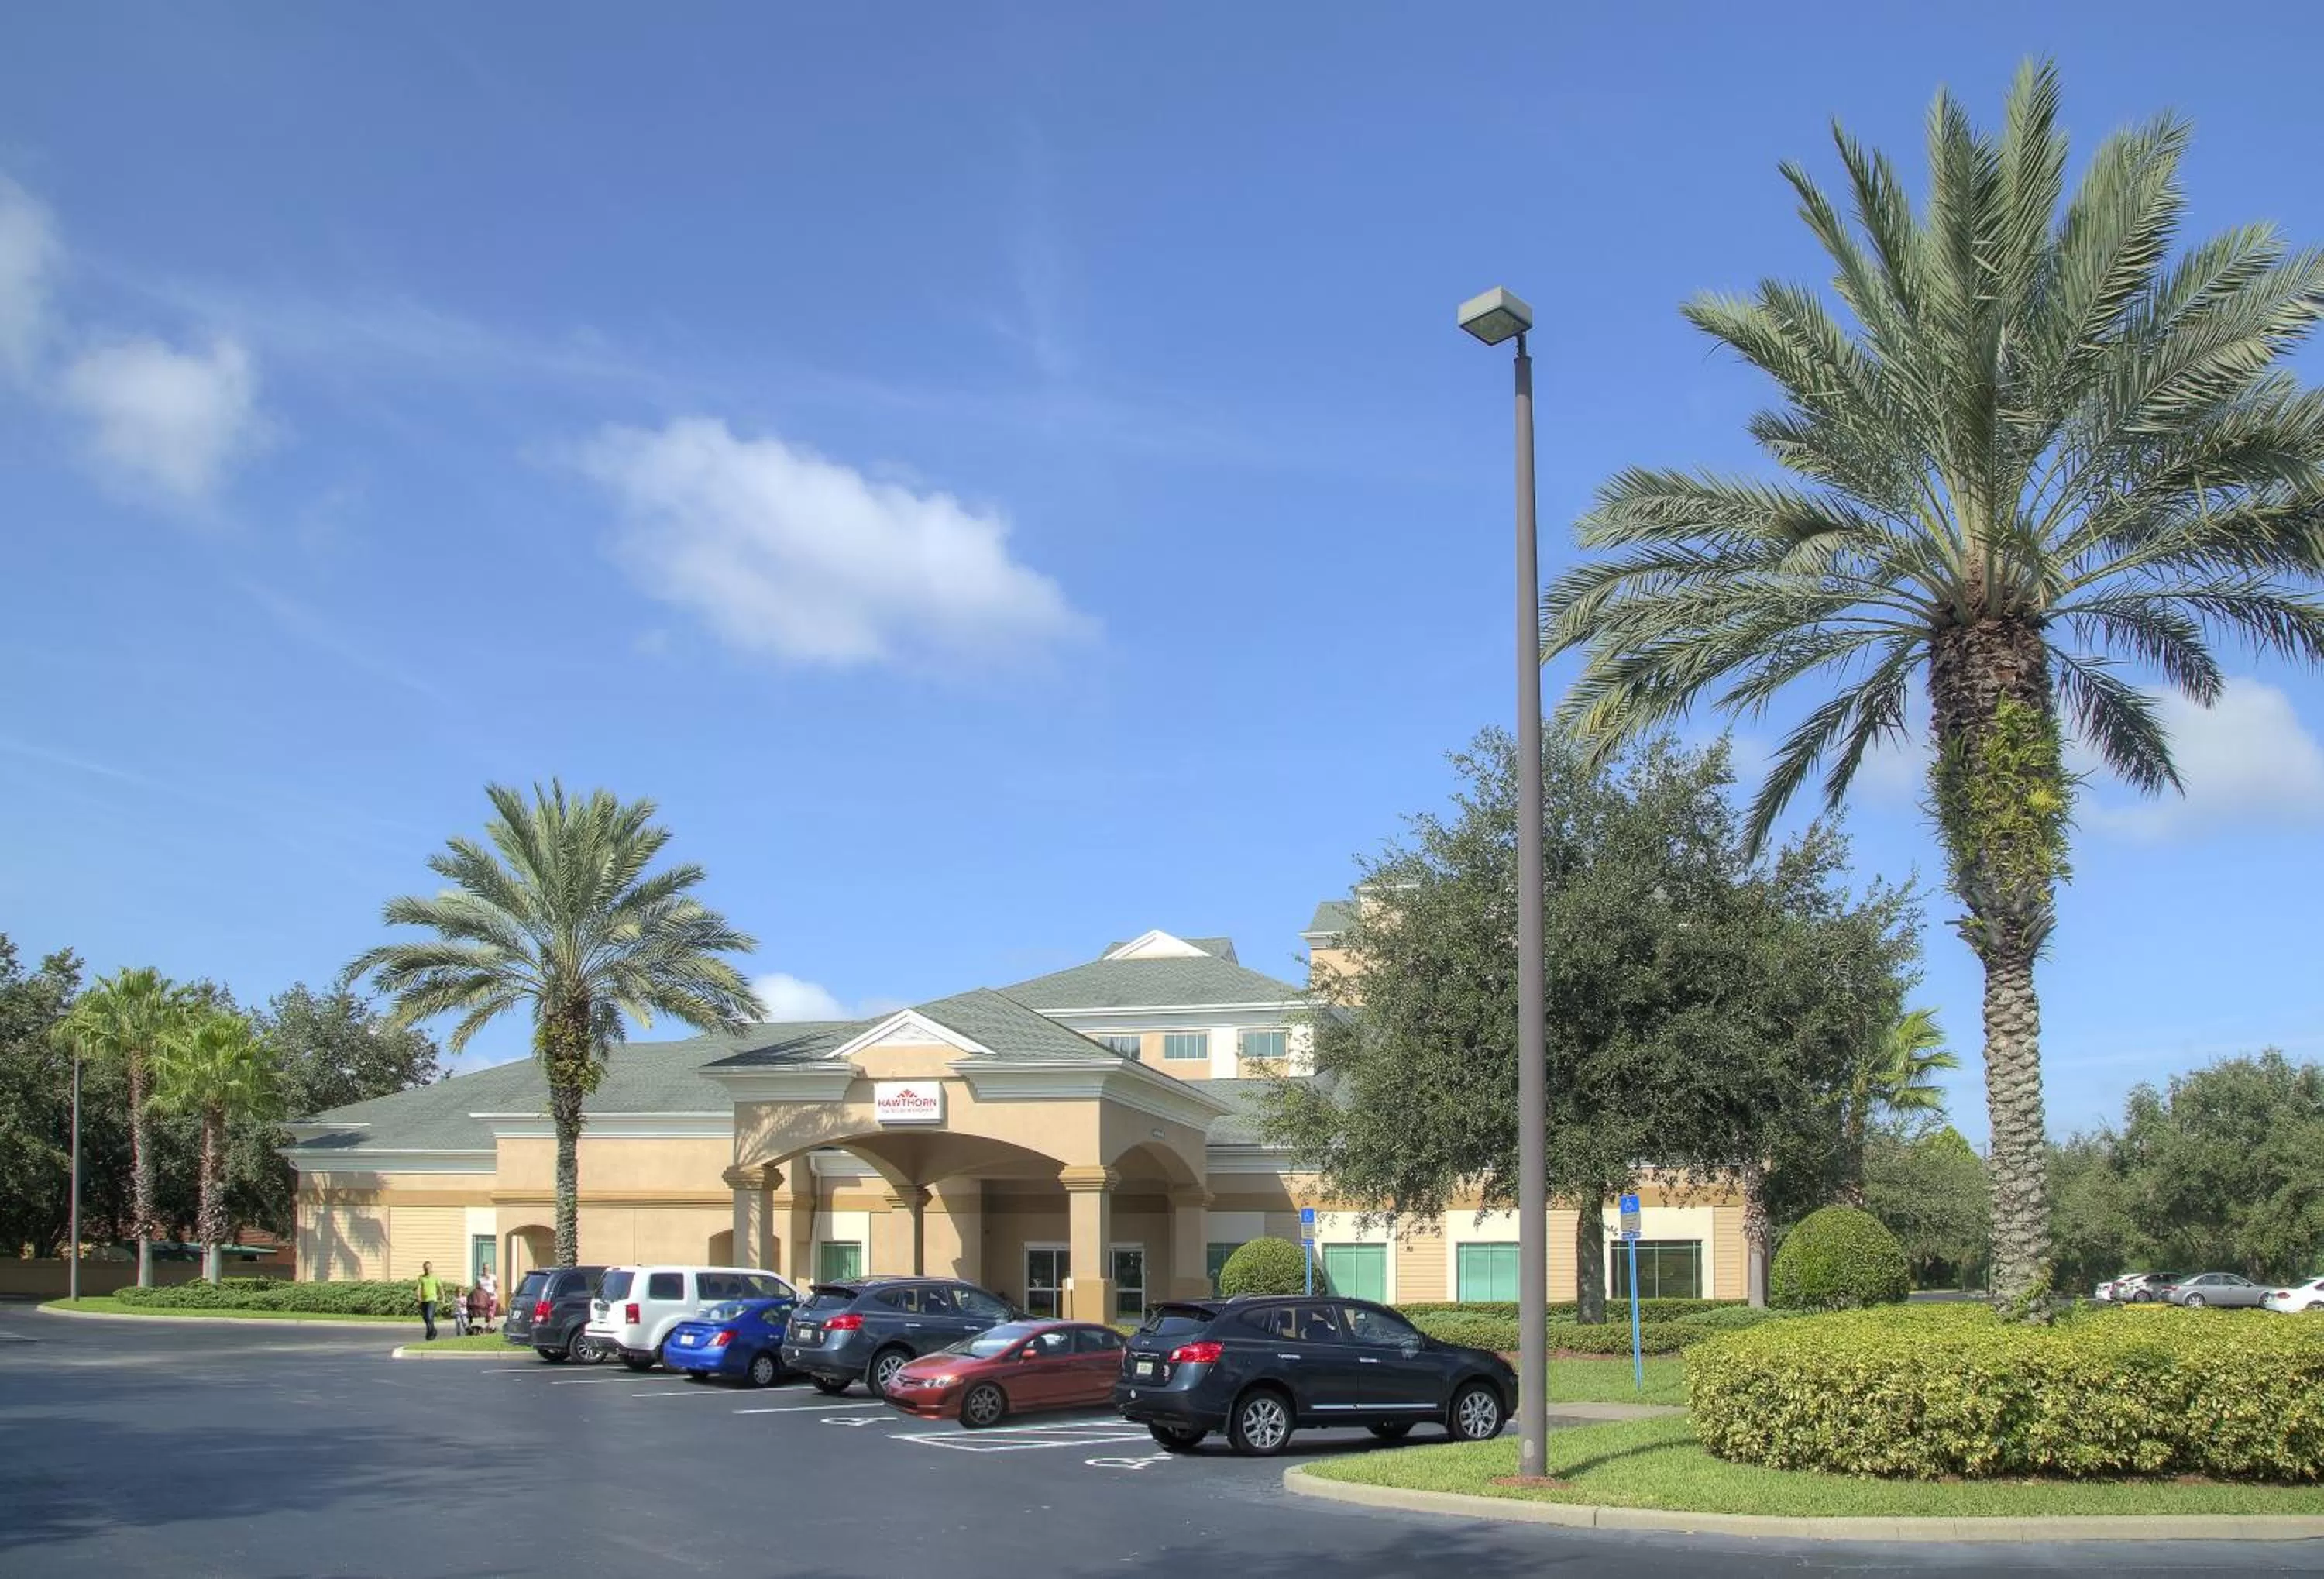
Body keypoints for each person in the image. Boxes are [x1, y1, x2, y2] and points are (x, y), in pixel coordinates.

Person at [416, 1261, 442, 1342]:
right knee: (426, 1318)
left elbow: (440, 1287)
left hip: (432, 1299)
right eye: (426, 1268)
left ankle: (431, 1332)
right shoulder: (421, 1278)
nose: (427, 1269)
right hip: (423, 1300)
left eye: (429, 1268)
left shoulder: (435, 1277)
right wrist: (418, 1297)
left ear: (431, 1268)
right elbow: (419, 1288)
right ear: (424, 1268)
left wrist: (443, 1297)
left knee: (430, 1317)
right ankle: (431, 1331)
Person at [471, 1266, 497, 1333]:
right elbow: (477, 1287)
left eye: (487, 1268)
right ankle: (491, 1326)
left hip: (492, 1297)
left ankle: (491, 1327)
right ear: (483, 1269)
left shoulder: (493, 1277)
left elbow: (496, 1286)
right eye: (485, 1268)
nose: (486, 1270)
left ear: (489, 1269)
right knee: (487, 1313)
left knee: (491, 1312)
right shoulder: (480, 1278)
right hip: (484, 1298)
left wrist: (492, 1292)